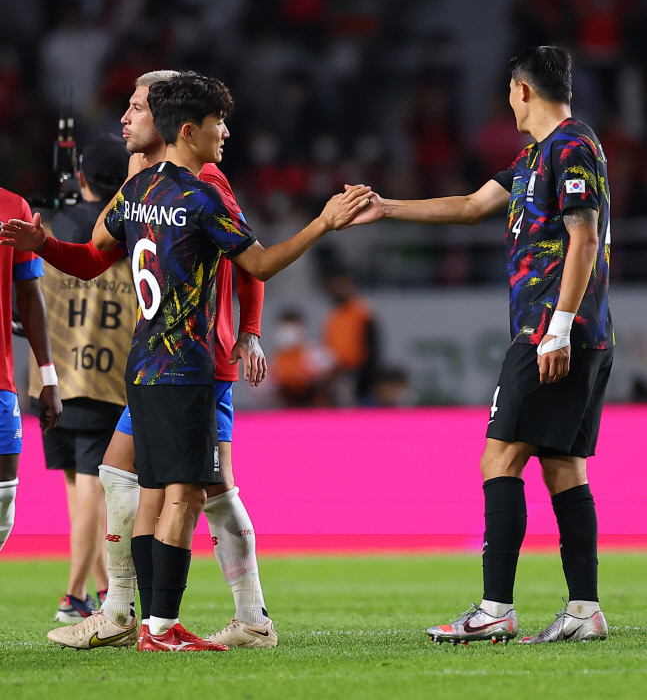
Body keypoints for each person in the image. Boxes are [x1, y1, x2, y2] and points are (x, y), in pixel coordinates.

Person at [6, 72, 370, 652]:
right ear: (189, 127)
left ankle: (183, 616)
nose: (125, 118)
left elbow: (95, 259)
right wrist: (324, 222)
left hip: (163, 363)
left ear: (163, 121)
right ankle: (151, 622)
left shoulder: (166, 186)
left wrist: (249, 333)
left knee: (179, 490)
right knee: (168, 490)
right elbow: (261, 262)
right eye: (219, 124)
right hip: (182, 366)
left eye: (134, 107)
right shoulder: (185, 191)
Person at [347, 46, 612, 644]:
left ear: (522, 90)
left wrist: (560, 326)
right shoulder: (535, 158)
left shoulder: (571, 147)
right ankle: (584, 609)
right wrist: (386, 207)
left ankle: (496, 608)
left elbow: (585, 238)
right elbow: (469, 207)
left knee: (500, 458)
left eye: (508, 94)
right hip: (572, 330)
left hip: (552, 328)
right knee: (563, 466)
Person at [29, 134, 134, 623]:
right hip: (106, 377)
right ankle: (78, 595)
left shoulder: (48, 227)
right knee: (92, 492)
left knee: (78, 492)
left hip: (51, 376)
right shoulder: (130, 234)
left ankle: (93, 590)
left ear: (83, 178)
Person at [0, 188, 62, 553]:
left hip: (2, 377)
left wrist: (48, 376)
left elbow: (29, 292)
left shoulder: (14, 206)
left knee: (4, 502)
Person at [321, 270, 380, 406]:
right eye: (334, 286)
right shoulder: (333, 316)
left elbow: (373, 348)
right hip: (339, 374)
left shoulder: (363, 311)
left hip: (359, 375)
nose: (338, 290)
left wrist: (367, 378)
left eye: (342, 285)